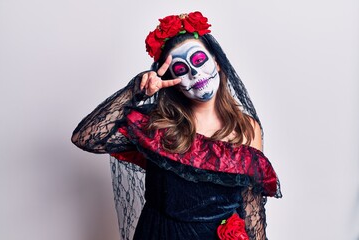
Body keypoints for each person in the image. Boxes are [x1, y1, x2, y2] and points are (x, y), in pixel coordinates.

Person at [71, 11, 281, 240]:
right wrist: (136, 90)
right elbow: (85, 137)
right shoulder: (157, 125)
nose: (194, 72)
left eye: (199, 60)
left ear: (217, 62)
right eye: (181, 69)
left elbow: (251, 206)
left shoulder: (247, 129)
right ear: (172, 80)